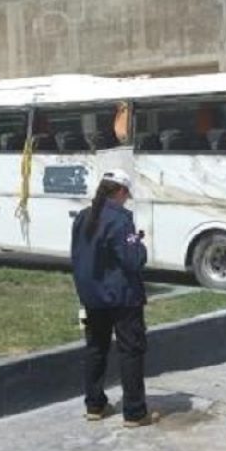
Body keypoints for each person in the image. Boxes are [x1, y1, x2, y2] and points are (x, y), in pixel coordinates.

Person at [71, 169, 154, 428]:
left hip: (93, 297)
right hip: (122, 297)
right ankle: (134, 411)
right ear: (119, 191)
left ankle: (94, 405)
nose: (127, 199)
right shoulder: (120, 220)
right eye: (127, 193)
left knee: (96, 349)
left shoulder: (83, 217)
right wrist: (139, 245)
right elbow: (133, 260)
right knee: (130, 351)